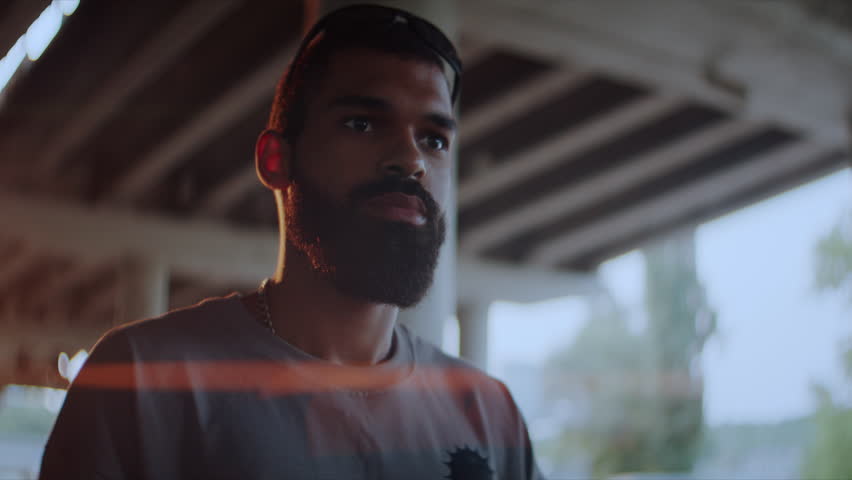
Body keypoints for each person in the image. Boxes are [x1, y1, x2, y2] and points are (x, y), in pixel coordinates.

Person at [39, 4, 542, 479]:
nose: (410, 159)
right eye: (361, 123)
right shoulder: (142, 379)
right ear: (276, 160)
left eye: (434, 138)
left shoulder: (490, 413)